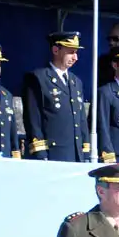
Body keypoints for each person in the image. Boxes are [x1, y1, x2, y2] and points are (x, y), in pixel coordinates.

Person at [23, 31, 90, 161]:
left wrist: (85, 152)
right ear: (55, 50)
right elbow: (33, 120)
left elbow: (81, 120)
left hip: (76, 154)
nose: (75, 57)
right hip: (53, 154)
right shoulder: (38, 78)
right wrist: (40, 154)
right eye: (71, 52)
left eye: (76, 52)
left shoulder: (76, 82)